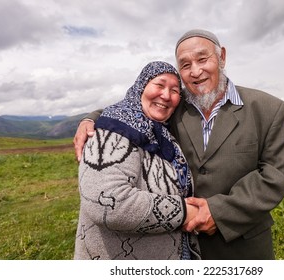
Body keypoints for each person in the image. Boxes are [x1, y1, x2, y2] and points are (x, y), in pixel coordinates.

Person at [74, 29, 284, 260]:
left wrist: (219, 212)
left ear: (222, 57)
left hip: (241, 245)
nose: (196, 71)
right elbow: (133, 107)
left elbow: (276, 175)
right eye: (186, 65)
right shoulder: (172, 105)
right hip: (180, 245)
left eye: (202, 59)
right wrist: (91, 118)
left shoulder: (269, 109)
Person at [74, 61, 201, 260]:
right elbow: (108, 203)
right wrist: (186, 212)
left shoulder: (162, 133)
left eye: (175, 90)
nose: (166, 95)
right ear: (141, 86)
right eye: (159, 85)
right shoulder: (111, 131)